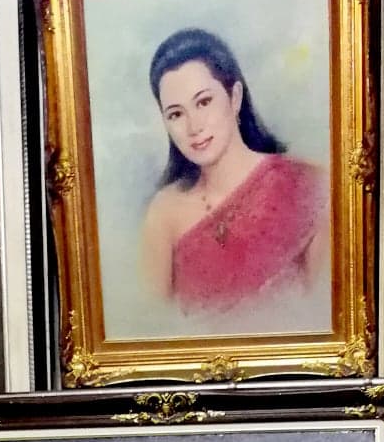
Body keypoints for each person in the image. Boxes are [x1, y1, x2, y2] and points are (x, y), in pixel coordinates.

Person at [139, 28, 326, 319]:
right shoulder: (163, 214)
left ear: (234, 97)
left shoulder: (309, 186)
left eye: (203, 102)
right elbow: (150, 332)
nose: (194, 127)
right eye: (176, 114)